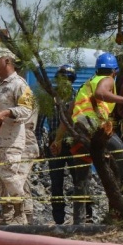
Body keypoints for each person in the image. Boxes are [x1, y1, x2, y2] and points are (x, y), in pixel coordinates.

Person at [69, 52, 123, 223]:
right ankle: (113, 188)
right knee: (121, 153)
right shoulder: (108, 80)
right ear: (114, 72)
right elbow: (101, 93)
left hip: (78, 130)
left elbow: (70, 110)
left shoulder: (87, 83)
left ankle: (78, 224)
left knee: (81, 180)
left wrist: (59, 139)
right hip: (91, 126)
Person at [0, 48, 35, 225]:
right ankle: (7, 214)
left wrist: (7, 112)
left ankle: (19, 214)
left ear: (7, 61)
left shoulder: (19, 84)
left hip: (12, 139)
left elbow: (27, 110)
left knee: (10, 176)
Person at [39, 64, 79, 225]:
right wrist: (40, 145)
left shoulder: (77, 97)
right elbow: (39, 123)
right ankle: (58, 220)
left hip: (74, 144)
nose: (65, 82)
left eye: (68, 79)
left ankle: (84, 217)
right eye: (62, 78)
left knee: (80, 181)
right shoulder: (50, 98)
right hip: (54, 145)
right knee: (56, 183)